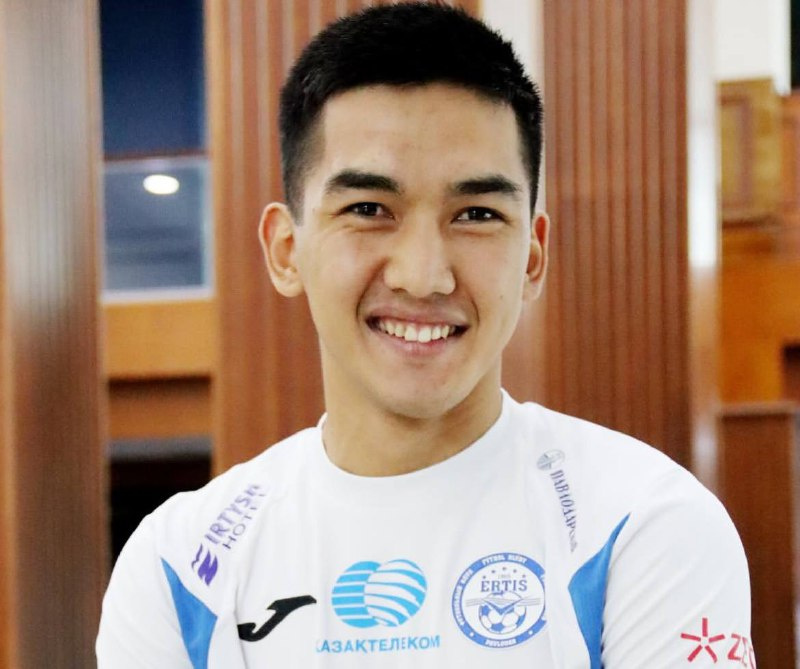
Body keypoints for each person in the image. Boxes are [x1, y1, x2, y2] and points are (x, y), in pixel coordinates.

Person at [97, 3, 754, 667]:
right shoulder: (180, 567)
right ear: (286, 250)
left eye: (476, 214)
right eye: (368, 209)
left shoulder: (642, 523)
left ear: (532, 258)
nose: (423, 275)